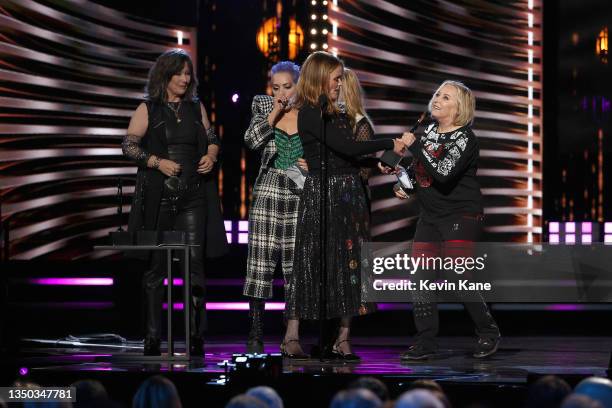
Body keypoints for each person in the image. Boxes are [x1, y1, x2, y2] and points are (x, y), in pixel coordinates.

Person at [286, 51, 406, 360]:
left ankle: (341, 339)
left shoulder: (335, 112)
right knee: (312, 260)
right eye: (337, 77)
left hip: (348, 192)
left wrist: (374, 162)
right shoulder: (310, 111)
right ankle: (292, 337)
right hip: (323, 193)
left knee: (348, 263)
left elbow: (345, 155)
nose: (342, 82)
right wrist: (388, 144)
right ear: (320, 78)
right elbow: (346, 146)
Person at [382, 80, 500, 360]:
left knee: (458, 274)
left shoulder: (465, 138)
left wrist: (415, 146)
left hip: (461, 214)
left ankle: (488, 332)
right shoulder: (430, 132)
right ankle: (425, 342)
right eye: (437, 94)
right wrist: (401, 179)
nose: (437, 99)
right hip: (431, 217)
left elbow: (444, 173)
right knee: (421, 278)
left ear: (459, 108)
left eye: (445, 97)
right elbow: (420, 174)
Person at [123, 49, 228, 356]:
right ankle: (153, 336)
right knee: (157, 269)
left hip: (193, 197)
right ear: (165, 75)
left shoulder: (196, 108)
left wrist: (210, 154)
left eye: (188, 73)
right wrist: (157, 161)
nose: (185, 78)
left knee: (194, 267)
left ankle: (195, 335)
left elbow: (213, 137)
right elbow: (128, 145)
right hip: (160, 198)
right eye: (179, 73)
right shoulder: (149, 108)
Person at [243, 61, 309, 358]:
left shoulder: (311, 113)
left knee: (295, 269)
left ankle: (290, 333)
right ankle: (256, 333)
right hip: (269, 191)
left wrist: (312, 165)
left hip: (300, 194)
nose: (281, 93)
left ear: (299, 85)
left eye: (288, 86)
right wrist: (275, 111)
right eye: (276, 87)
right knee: (260, 266)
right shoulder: (263, 106)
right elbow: (252, 140)